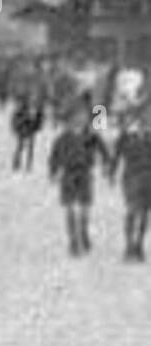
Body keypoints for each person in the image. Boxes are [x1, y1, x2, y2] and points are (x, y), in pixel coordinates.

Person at [48, 105, 110, 257]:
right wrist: (53, 172)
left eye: (82, 118)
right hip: (68, 175)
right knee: (70, 209)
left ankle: (83, 233)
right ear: (70, 120)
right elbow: (54, 157)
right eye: (76, 118)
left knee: (84, 209)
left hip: (85, 174)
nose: (79, 121)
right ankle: (73, 241)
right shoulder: (62, 138)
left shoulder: (92, 136)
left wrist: (106, 164)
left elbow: (104, 151)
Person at [109, 105, 151, 261]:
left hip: (149, 178)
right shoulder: (125, 136)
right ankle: (128, 246)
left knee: (145, 213)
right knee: (132, 210)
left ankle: (139, 245)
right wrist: (111, 173)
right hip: (131, 177)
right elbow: (116, 156)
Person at [11, 92, 45, 172]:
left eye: (35, 99)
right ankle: (16, 164)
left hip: (31, 130)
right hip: (23, 129)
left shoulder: (38, 109)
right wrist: (25, 119)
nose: (33, 100)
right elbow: (17, 117)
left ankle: (28, 166)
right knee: (20, 147)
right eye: (32, 99)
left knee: (30, 149)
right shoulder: (23, 107)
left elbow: (40, 120)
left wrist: (37, 124)